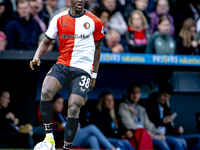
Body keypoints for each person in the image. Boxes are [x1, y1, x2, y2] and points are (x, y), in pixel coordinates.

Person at [29, 0, 105, 149]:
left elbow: (98, 49)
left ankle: (66, 147)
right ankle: (49, 138)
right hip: (63, 65)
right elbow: (46, 42)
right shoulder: (58, 18)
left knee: (74, 106)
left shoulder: (95, 21)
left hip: (83, 69)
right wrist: (36, 56)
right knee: (45, 91)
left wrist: (94, 75)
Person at [118, 83, 187, 150]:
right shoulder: (123, 107)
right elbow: (133, 127)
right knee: (163, 144)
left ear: (140, 94)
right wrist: (154, 136)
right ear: (128, 93)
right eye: (133, 92)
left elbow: (148, 124)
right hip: (138, 137)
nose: (135, 95)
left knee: (179, 141)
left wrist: (158, 133)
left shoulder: (141, 109)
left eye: (137, 92)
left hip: (149, 135)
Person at [146, 82, 200, 150]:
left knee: (199, 138)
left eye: (168, 97)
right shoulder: (149, 105)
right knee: (179, 142)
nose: (166, 99)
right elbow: (149, 125)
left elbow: (169, 128)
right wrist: (162, 121)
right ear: (159, 93)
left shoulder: (165, 107)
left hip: (171, 134)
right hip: (159, 135)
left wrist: (176, 130)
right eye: (164, 96)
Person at [51, 93, 116, 149]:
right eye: (58, 103)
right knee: (91, 127)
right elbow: (53, 134)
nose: (61, 105)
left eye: (62, 103)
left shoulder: (61, 115)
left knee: (92, 138)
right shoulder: (50, 116)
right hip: (64, 140)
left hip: (74, 136)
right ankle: (112, 148)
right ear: (52, 104)